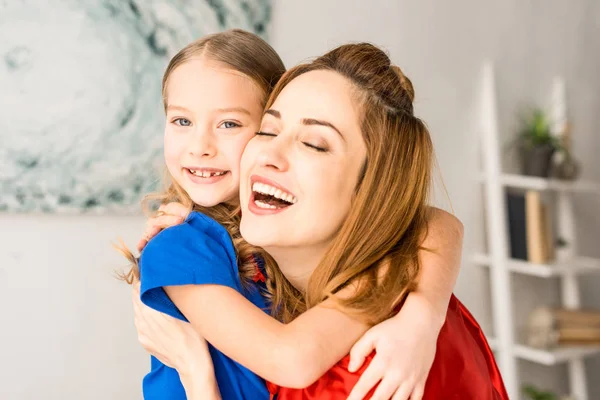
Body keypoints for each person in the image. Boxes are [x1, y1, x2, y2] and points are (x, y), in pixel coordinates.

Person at [126, 31, 465, 400]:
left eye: (230, 124)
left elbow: (433, 223)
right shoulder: (178, 244)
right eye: (181, 121)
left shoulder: (271, 231)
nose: (200, 147)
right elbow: (290, 361)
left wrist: (423, 315)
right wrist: (381, 292)